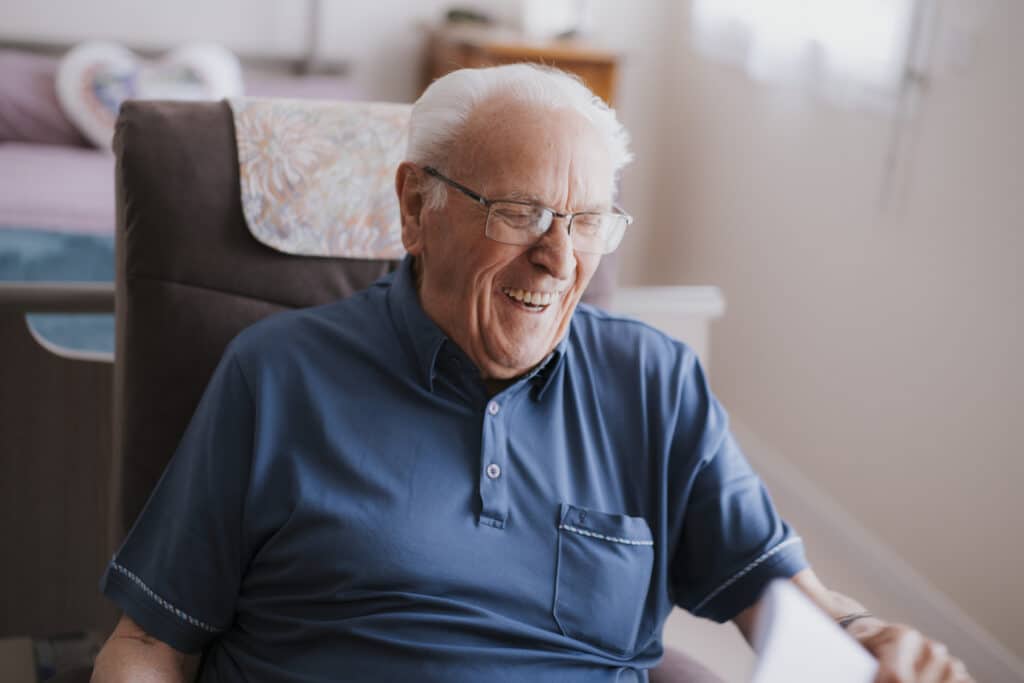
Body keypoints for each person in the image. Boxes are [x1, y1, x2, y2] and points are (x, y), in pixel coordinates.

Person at [92, 64, 973, 683]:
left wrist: (869, 639)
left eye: (587, 220)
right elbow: (149, 643)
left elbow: (779, 597)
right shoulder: (278, 374)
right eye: (521, 213)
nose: (558, 258)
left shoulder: (654, 383)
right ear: (415, 207)